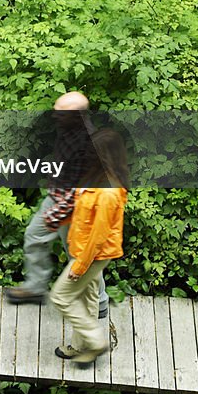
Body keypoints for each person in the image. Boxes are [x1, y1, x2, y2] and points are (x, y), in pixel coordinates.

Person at [6, 91, 109, 319]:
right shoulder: (69, 128)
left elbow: (80, 192)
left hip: (77, 208)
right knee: (34, 235)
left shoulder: (90, 145)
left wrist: (55, 215)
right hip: (58, 195)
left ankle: (100, 302)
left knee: (78, 253)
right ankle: (35, 287)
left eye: (60, 113)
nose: (55, 116)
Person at [51, 128, 129, 364]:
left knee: (60, 296)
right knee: (89, 296)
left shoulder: (108, 191)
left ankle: (95, 340)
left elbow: (99, 235)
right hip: (83, 247)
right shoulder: (95, 177)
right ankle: (79, 345)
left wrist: (79, 267)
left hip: (92, 254)